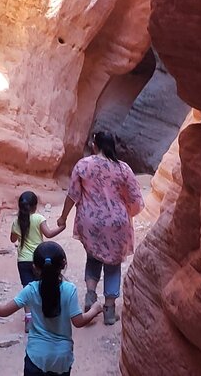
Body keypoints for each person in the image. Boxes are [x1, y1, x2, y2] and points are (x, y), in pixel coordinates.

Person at [57, 131, 144, 325]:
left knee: (93, 257)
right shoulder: (123, 169)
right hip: (117, 223)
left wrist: (63, 218)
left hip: (91, 222)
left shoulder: (83, 165)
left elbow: (73, 195)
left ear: (95, 145)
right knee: (113, 264)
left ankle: (90, 296)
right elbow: (135, 199)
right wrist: (126, 213)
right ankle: (110, 310)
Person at [0, 241, 102, 376]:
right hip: (61, 358)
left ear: (35, 267)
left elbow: (4, 311)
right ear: (64, 264)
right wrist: (94, 309)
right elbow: (78, 321)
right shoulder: (69, 290)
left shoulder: (31, 289)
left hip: (36, 356)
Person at [11, 191, 66, 332]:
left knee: (27, 287)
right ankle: (44, 315)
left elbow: (12, 239)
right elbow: (48, 234)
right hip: (38, 258)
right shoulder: (38, 218)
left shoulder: (17, 221)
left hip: (23, 260)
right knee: (43, 285)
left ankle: (29, 318)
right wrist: (61, 227)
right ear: (35, 206)